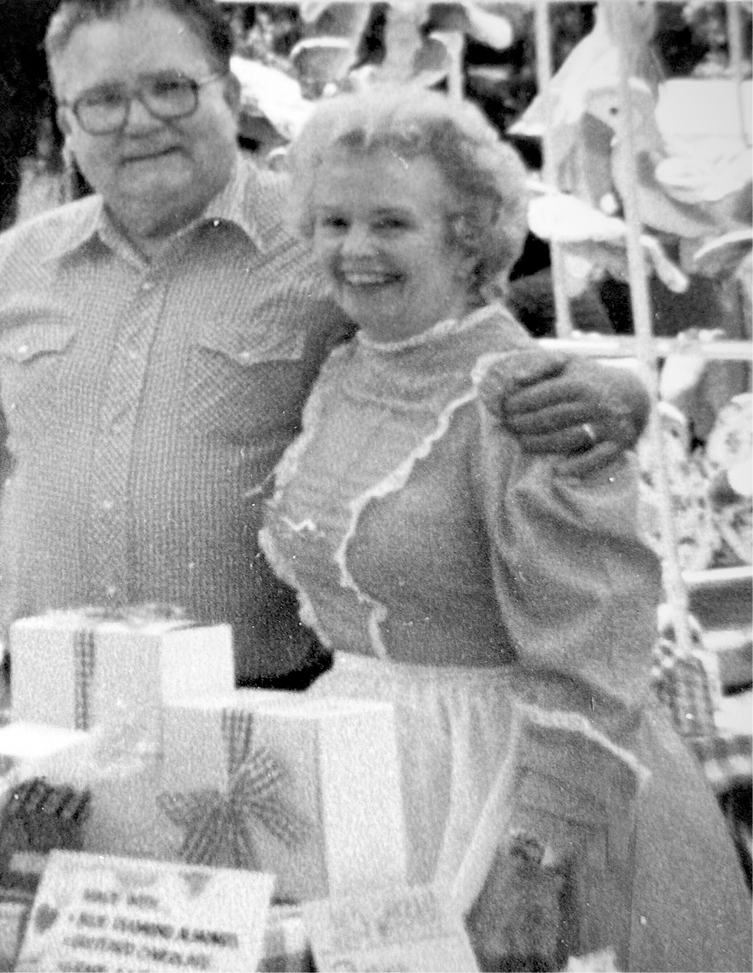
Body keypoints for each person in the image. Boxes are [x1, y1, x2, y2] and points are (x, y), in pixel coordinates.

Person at [0, 0, 651, 714]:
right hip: (48, 699)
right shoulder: (18, 265)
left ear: (229, 93)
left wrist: (615, 395)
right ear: (66, 122)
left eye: (170, 89)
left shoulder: (334, 249)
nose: (138, 123)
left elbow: (465, 356)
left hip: (268, 707)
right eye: (101, 101)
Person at [259, 85, 753, 971]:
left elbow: (594, 652)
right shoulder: (344, 368)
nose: (355, 249)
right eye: (332, 221)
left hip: (513, 790)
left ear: (468, 234)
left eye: (391, 223)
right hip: (365, 776)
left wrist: (534, 859)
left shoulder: (528, 399)